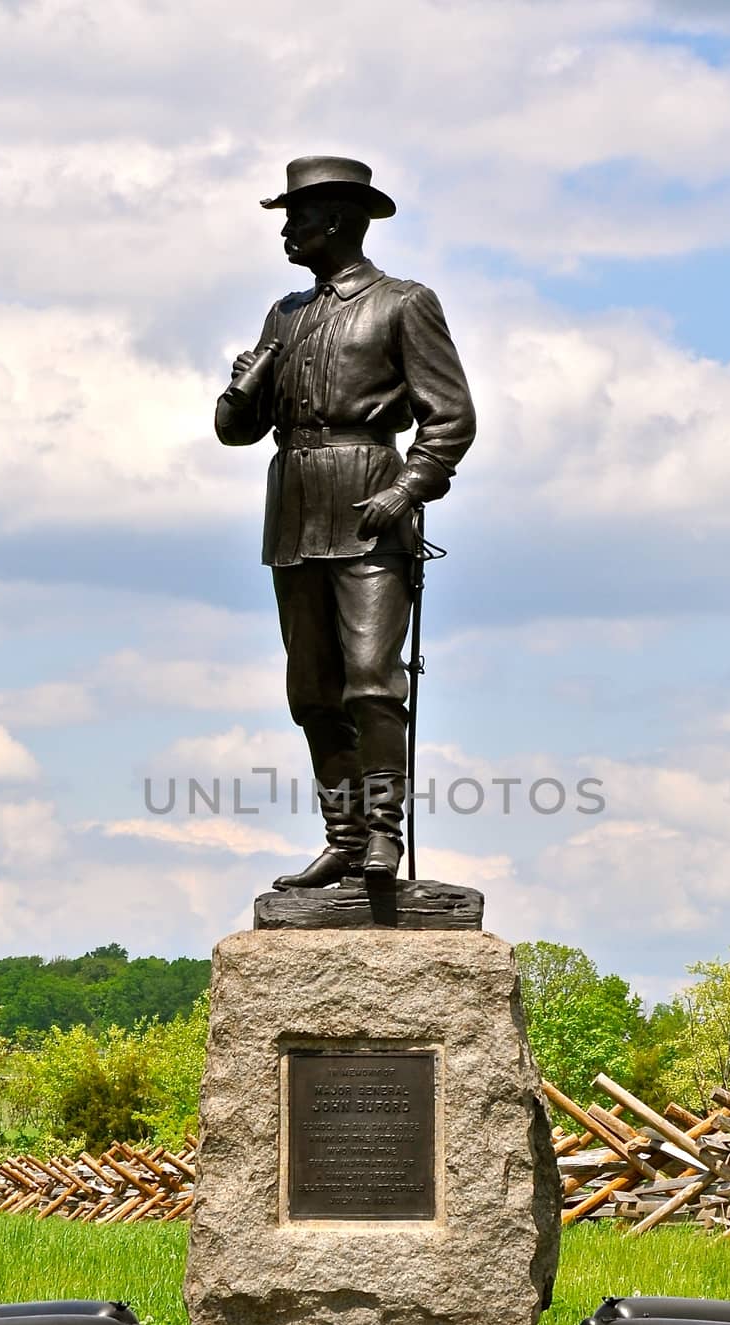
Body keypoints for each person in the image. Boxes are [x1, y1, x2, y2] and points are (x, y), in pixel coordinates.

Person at [216, 156, 476, 888]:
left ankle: (385, 838)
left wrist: (411, 489)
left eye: (296, 218)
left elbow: (450, 417)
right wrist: (240, 390)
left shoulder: (403, 302)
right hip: (295, 507)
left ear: (333, 220)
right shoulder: (285, 314)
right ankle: (345, 837)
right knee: (313, 691)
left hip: (368, 501)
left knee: (370, 682)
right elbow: (236, 431)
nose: (287, 232)